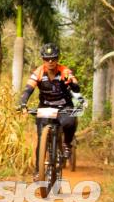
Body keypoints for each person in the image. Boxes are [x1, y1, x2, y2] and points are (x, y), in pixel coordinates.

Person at [19, 43, 83, 180]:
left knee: (70, 122)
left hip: (64, 107)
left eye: (53, 58)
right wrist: (23, 103)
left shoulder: (65, 71)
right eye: (47, 59)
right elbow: (28, 89)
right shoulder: (39, 72)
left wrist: (70, 83)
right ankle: (38, 171)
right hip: (45, 107)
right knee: (41, 139)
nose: (50, 61)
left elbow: (77, 89)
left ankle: (66, 144)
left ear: (57, 59)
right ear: (43, 59)